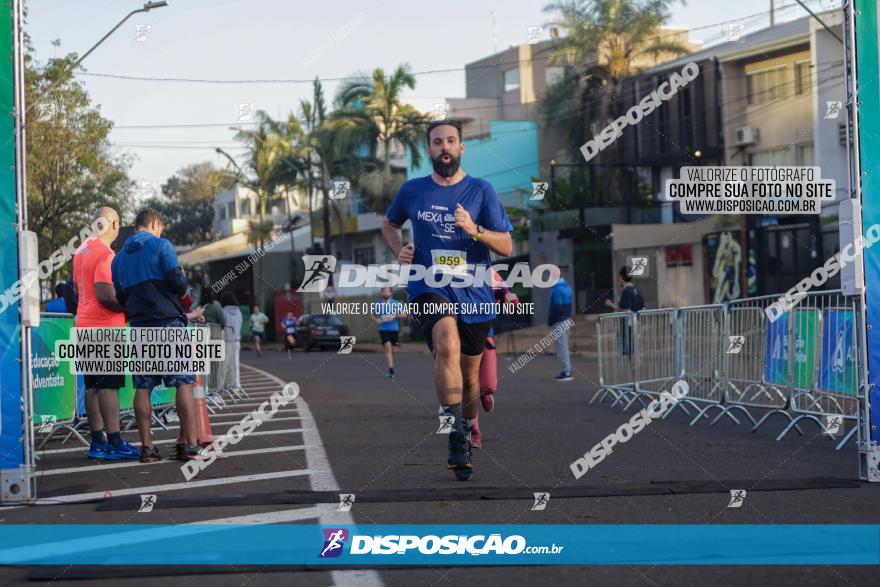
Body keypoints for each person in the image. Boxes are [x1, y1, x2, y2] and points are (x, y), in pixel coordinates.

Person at [381, 119, 513, 481]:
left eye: (451, 141)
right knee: (447, 344)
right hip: (428, 286)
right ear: (429, 151)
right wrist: (399, 250)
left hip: (474, 292)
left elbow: (506, 245)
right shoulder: (412, 191)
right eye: (437, 142)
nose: (444, 147)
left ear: (461, 148)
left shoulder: (481, 191)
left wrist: (475, 230)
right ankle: (454, 434)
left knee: (470, 380)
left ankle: (468, 423)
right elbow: (388, 223)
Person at [111, 208, 200, 462]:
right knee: (182, 382)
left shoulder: (118, 260)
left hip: (139, 327)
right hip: (168, 323)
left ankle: (147, 448)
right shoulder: (162, 246)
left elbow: (120, 296)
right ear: (153, 223)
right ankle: (191, 445)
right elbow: (178, 283)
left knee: (143, 387)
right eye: (160, 227)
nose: (161, 232)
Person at [72, 207, 140, 460]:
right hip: (105, 328)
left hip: (85, 325)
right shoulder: (105, 253)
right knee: (109, 387)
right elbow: (104, 294)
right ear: (114, 225)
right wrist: (129, 307)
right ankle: (114, 441)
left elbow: (81, 290)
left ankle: (98, 440)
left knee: (93, 387)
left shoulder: (81, 251)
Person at [605, 265, 645, 356]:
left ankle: (634, 369)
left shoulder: (626, 291)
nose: (618, 280)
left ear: (622, 278)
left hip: (628, 326)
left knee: (630, 352)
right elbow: (643, 307)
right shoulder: (637, 289)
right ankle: (635, 368)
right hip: (637, 324)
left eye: (619, 277)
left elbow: (626, 310)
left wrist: (610, 304)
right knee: (634, 351)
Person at [372, 287, 406, 379]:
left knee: (394, 350)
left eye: (387, 291)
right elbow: (373, 315)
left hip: (394, 329)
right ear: (381, 293)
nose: (386, 293)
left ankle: (391, 355)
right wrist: (377, 320)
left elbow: (404, 314)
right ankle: (391, 371)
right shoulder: (378, 304)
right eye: (384, 291)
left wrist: (395, 315)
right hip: (383, 329)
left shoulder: (395, 303)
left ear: (391, 293)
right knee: (388, 348)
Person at [548, 266, 574, 382]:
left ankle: (566, 371)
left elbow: (556, 308)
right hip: (567, 319)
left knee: (562, 348)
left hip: (559, 321)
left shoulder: (557, 289)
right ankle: (566, 370)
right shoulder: (567, 286)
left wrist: (551, 320)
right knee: (564, 347)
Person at [221, 291, 243, 389]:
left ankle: (223, 384)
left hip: (227, 341)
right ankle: (237, 385)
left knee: (224, 364)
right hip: (237, 340)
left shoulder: (223, 311)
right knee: (235, 364)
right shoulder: (239, 312)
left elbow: (222, 326)